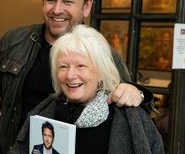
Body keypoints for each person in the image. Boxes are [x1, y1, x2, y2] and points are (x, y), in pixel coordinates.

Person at [0, 0, 153, 154]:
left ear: (87, 6)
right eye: (50, 0)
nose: (57, 10)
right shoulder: (13, 43)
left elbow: (131, 104)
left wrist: (136, 93)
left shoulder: (102, 53)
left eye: (67, 2)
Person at [11, 25, 164, 154]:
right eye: (63, 67)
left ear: (101, 71)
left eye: (81, 66)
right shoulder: (43, 113)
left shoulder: (129, 117)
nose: (70, 75)